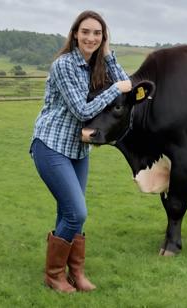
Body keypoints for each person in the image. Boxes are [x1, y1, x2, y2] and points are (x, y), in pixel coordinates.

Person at [29, 10, 132, 293]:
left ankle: (74, 272)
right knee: (77, 212)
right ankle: (53, 275)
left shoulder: (97, 65)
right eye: (85, 32)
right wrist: (113, 90)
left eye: (97, 33)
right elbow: (82, 110)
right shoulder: (64, 65)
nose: (90, 37)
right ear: (75, 34)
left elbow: (127, 87)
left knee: (67, 211)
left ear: (103, 37)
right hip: (50, 145)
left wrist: (109, 56)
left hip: (78, 149)